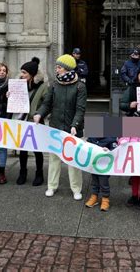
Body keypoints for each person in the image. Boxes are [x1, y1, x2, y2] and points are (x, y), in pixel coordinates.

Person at [34, 54, 87, 200]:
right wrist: (40, 114)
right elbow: (47, 104)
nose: (56, 70)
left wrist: (75, 125)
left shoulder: (80, 86)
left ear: (67, 69)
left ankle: (76, 189)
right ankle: (52, 186)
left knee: (73, 160)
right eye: (57, 67)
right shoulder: (54, 84)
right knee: (54, 159)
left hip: (73, 129)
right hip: (56, 127)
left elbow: (80, 109)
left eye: (59, 67)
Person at [15, 57, 48, 186]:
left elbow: (47, 103)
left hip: (36, 122)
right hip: (22, 121)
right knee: (22, 150)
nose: (21, 75)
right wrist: (9, 96)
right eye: (21, 72)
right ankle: (22, 172)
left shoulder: (43, 87)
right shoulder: (18, 85)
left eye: (24, 73)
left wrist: (40, 114)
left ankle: (39, 173)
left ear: (32, 74)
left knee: (37, 150)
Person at [84, 137, 117, 211]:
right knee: (94, 181)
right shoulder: (92, 137)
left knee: (103, 183)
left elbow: (115, 150)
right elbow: (86, 145)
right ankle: (94, 197)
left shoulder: (111, 138)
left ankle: (105, 199)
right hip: (94, 164)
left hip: (104, 166)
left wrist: (109, 151)